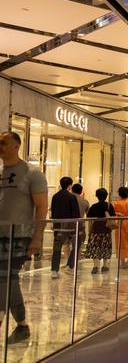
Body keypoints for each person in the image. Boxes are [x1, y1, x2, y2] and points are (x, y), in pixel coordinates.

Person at [0, 131, 48, 344]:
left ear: (16, 145)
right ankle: (22, 325)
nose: (0, 146)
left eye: (3, 142)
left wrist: (37, 238)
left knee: (4, 278)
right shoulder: (1, 172)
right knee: (8, 280)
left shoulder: (32, 173)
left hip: (19, 237)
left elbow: (41, 208)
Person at [50, 176, 81, 278]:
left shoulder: (55, 196)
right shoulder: (72, 197)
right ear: (70, 186)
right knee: (76, 246)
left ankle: (54, 270)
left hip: (58, 226)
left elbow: (53, 211)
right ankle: (70, 266)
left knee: (57, 248)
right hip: (70, 227)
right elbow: (76, 213)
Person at [85, 188, 116, 274]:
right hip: (106, 229)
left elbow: (89, 218)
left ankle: (95, 266)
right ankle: (105, 265)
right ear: (106, 196)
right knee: (106, 246)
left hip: (96, 228)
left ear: (96, 196)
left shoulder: (94, 206)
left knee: (95, 246)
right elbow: (113, 217)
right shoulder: (109, 206)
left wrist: (89, 230)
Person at [71, 183, 89, 258]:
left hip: (68, 225)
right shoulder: (85, 202)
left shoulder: (69, 199)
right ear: (81, 191)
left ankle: (68, 262)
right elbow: (88, 214)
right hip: (81, 225)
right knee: (78, 244)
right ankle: (76, 260)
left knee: (67, 244)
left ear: (72, 190)